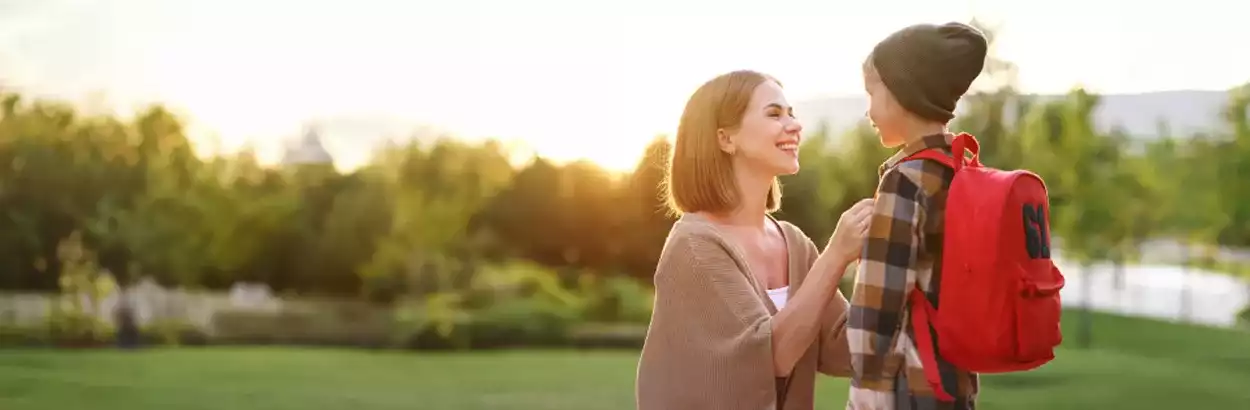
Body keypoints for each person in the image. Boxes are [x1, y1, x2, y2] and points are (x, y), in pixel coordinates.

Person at [635, 69, 875, 410]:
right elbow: (768, 358)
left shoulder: (794, 243)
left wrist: (887, 264)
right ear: (725, 138)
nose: (794, 125)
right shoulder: (695, 246)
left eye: (791, 113)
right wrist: (836, 256)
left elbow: (849, 350)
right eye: (774, 114)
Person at [846, 22, 988, 410]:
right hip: (955, 382)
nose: (868, 109)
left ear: (899, 90)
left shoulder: (904, 181)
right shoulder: (962, 173)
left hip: (906, 387)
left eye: (871, 92)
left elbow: (880, 297)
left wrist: (867, 383)